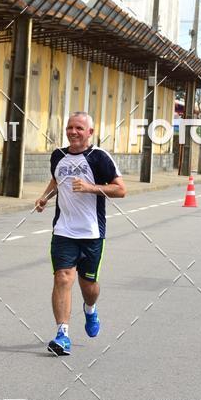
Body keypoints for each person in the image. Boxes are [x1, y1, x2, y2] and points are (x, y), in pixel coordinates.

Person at [35, 111, 126, 356]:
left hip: (91, 232)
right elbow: (57, 181)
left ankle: (90, 308)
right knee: (63, 278)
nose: (73, 132)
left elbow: (120, 189)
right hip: (63, 230)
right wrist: (45, 198)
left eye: (78, 128)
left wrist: (90, 188)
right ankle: (62, 335)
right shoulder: (58, 156)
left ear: (90, 132)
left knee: (89, 286)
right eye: (70, 127)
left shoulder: (99, 158)